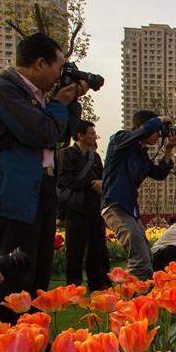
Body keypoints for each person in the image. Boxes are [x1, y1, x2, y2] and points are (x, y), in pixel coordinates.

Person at [0, 32, 87, 322]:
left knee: (39, 272)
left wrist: (72, 101)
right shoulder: (3, 90)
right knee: (12, 274)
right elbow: (42, 132)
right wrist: (59, 104)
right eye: (59, 66)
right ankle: (3, 339)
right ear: (39, 63)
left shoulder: (37, 98)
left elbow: (62, 134)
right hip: (15, 194)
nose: (60, 74)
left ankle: (32, 335)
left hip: (41, 189)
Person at [101, 110, 176, 280]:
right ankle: (135, 300)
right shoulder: (120, 140)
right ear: (146, 127)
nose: (159, 135)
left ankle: (141, 297)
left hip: (130, 208)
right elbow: (142, 131)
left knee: (144, 251)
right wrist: (159, 120)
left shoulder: (141, 155)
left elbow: (159, 173)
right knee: (139, 257)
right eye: (158, 131)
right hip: (115, 205)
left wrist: (169, 150)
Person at [57, 120, 110, 291]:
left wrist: (101, 184)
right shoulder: (67, 154)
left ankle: (97, 282)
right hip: (75, 207)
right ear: (80, 135)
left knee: (97, 246)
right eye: (91, 133)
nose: (94, 136)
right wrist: (90, 184)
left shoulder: (94, 157)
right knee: (75, 248)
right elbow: (64, 180)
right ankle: (73, 285)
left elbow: (103, 177)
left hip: (94, 207)